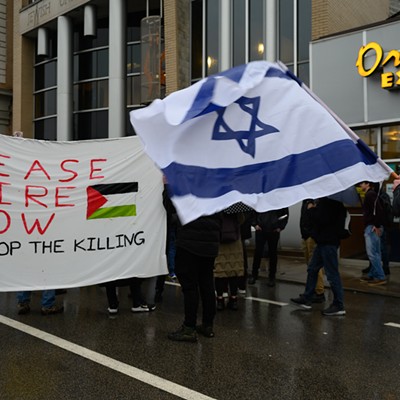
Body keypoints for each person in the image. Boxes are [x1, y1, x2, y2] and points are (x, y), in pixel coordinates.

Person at [290, 197, 347, 316]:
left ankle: (339, 304)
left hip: (328, 242)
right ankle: (307, 297)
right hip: (323, 241)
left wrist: (311, 209)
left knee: (332, 273)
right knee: (312, 268)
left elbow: (322, 219)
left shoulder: (330, 202)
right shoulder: (332, 202)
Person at [247, 208, 289, 287]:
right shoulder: (261, 197)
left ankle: (271, 277)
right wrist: (255, 224)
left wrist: (280, 227)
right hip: (261, 229)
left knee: (272, 254)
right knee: (258, 253)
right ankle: (254, 275)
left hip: (274, 230)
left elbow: (285, 214)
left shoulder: (279, 200)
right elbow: (253, 211)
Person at [358, 181, 387, 286]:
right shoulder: (371, 194)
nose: (360, 185)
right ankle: (373, 274)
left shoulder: (370, 194)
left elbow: (378, 210)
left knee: (372, 253)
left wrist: (376, 225)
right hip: (373, 226)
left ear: (368, 184)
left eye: (362, 183)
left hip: (372, 227)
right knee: (376, 253)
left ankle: (380, 276)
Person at [214, 212, 244, 311]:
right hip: (234, 242)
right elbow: (241, 220)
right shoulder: (235, 205)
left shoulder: (217, 204)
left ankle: (220, 300)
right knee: (234, 270)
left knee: (219, 272)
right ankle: (234, 299)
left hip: (220, 242)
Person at [300, 199, 326, 303]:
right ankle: (311, 290)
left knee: (315, 264)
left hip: (311, 236)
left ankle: (319, 291)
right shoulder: (305, 200)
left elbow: (315, 218)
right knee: (310, 265)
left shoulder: (315, 200)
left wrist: (311, 233)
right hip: (305, 235)